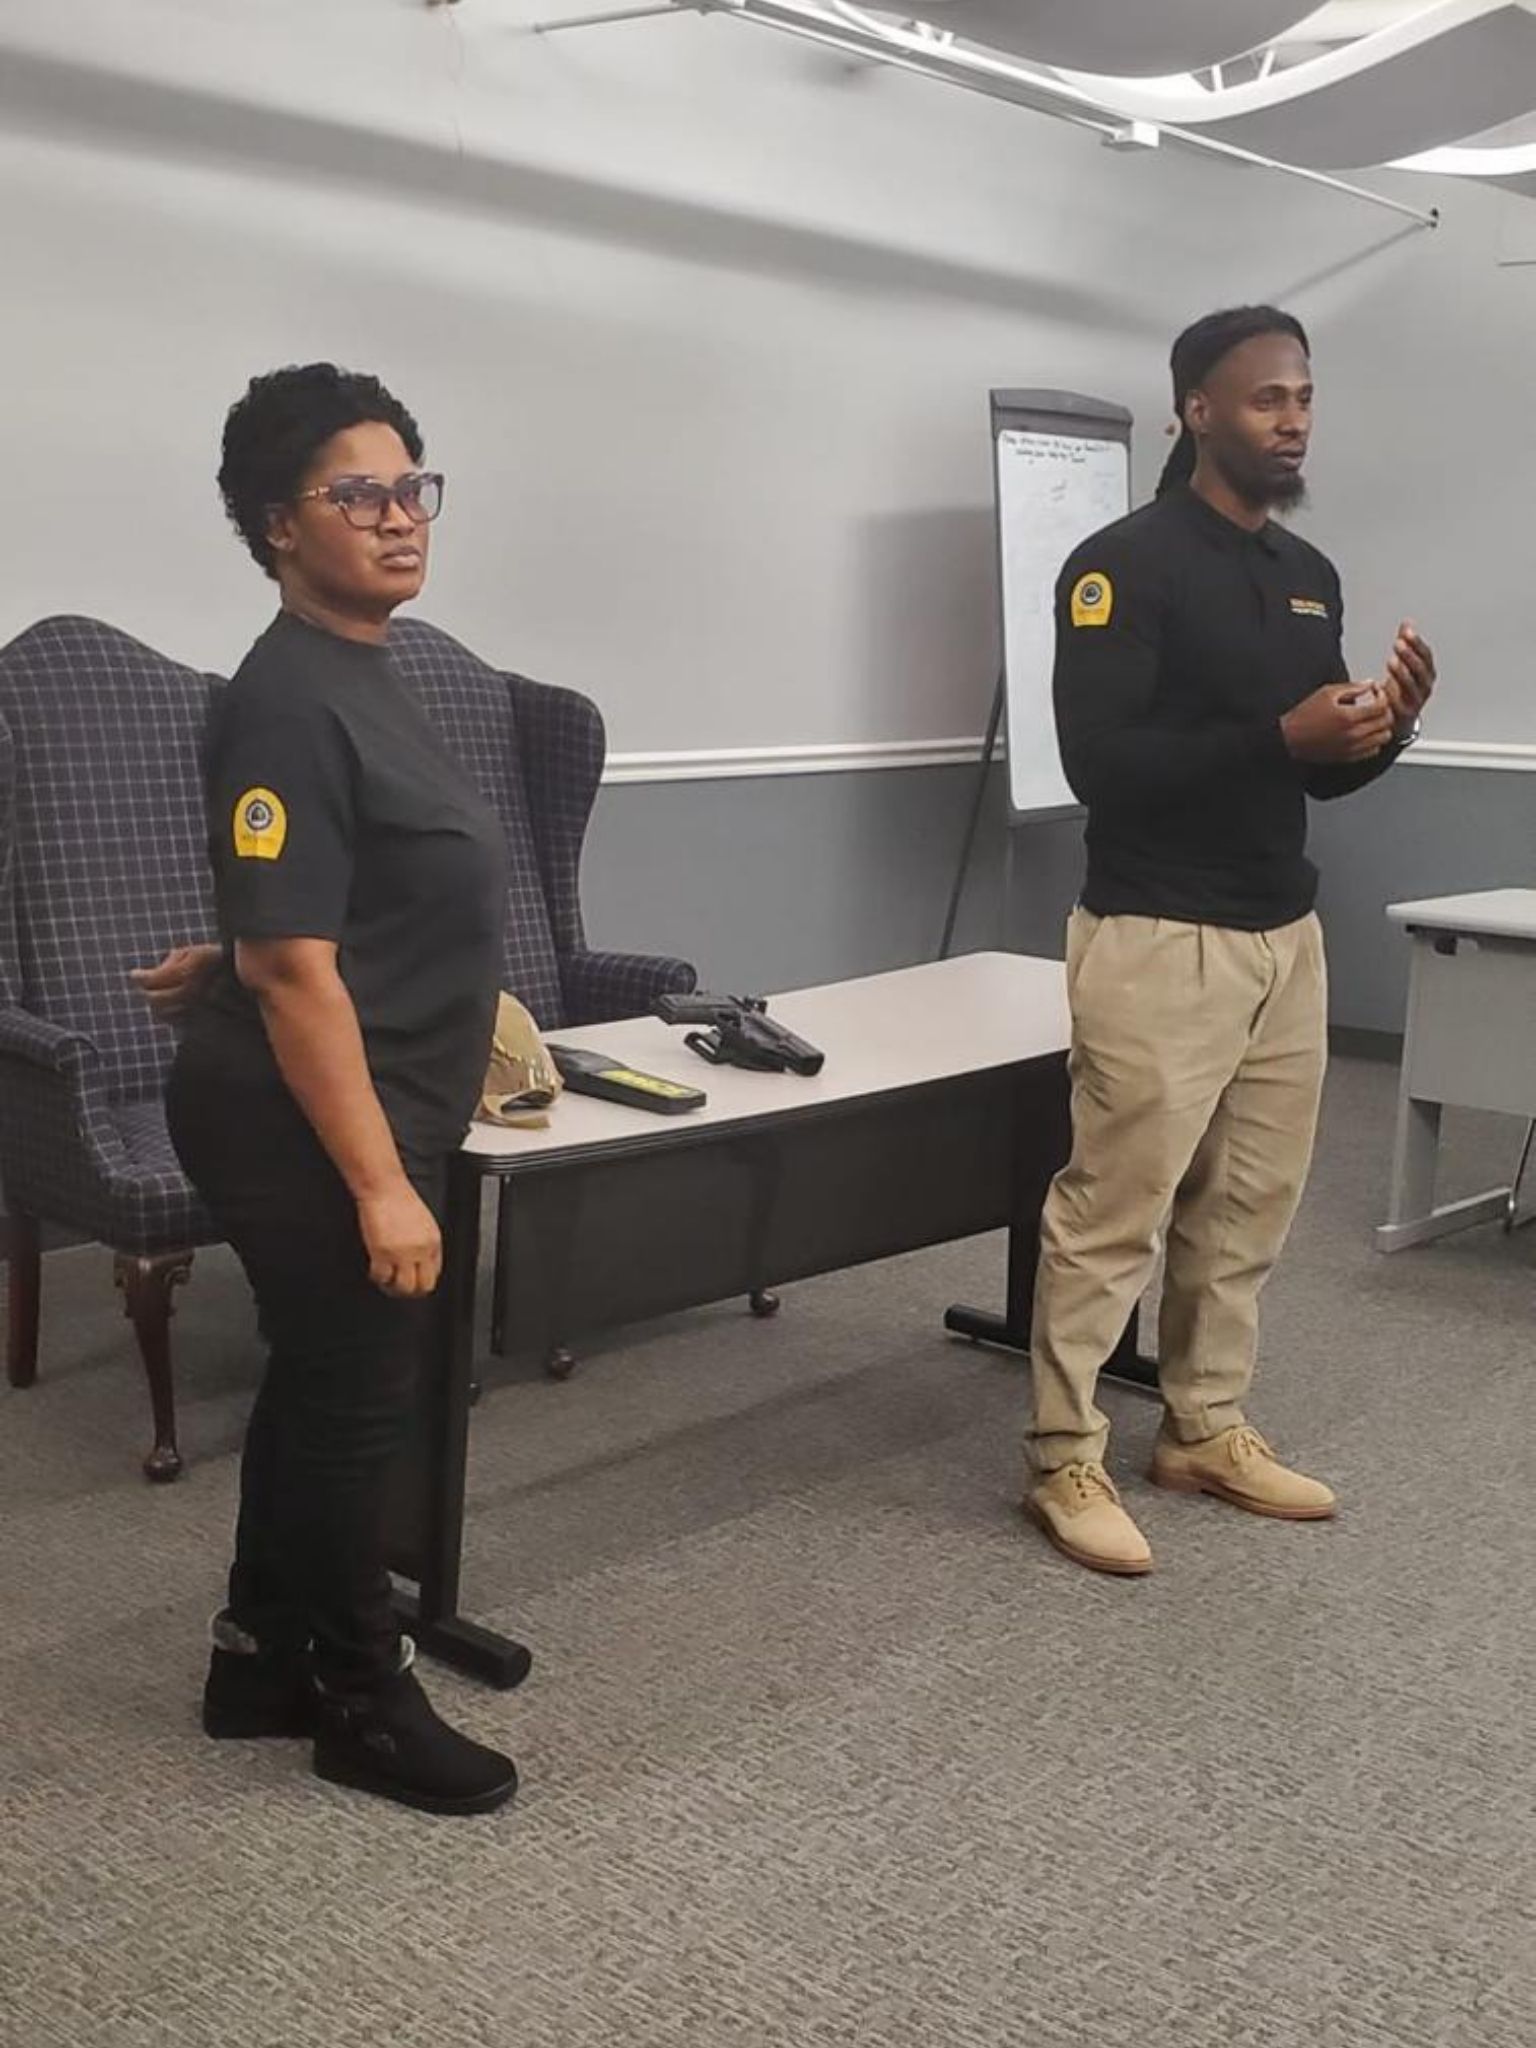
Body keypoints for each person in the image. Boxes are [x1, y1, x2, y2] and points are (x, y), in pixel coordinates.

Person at [157, 363, 520, 1812]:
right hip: (311, 1122)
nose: (397, 515)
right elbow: (299, 972)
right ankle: (363, 1698)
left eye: (410, 486)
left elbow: (326, 900)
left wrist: (249, 948)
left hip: (364, 1087)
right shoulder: (290, 696)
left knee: (319, 1384)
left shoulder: (369, 666)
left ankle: (256, 1661)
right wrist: (380, 1183)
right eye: (354, 493)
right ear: (277, 525)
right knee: (360, 1405)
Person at [1026, 305, 1436, 1576]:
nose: (1293, 418)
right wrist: (1279, 737)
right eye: (1266, 398)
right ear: (1198, 410)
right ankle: (1063, 1454)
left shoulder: (1305, 573)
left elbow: (1317, 776)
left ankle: (1202, 1428)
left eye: (1303, 396)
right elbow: (1100, 765)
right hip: (1157, 932)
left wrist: (1389, 727)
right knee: (1116, 1212)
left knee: (1248, 1207)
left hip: (1281, 938)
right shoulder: (1120, 564)